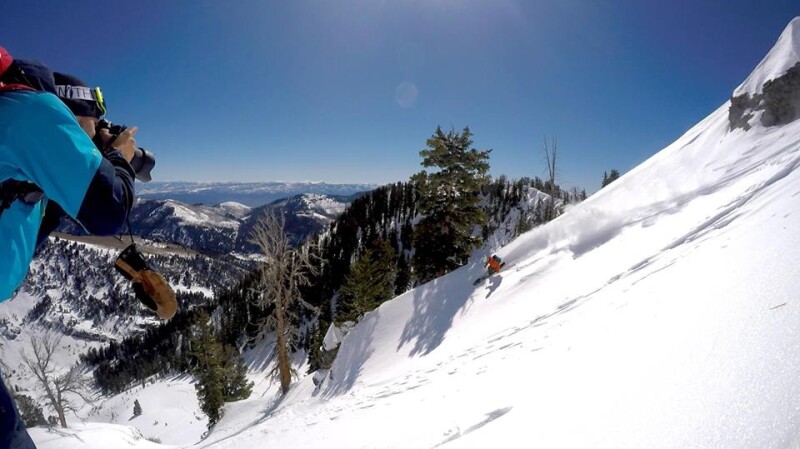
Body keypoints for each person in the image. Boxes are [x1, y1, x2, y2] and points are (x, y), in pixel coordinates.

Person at [0, 48, 136, 449]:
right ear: (70, 117)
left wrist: (55, 192)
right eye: (95, 126)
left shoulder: (15, 139)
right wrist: (117, 160)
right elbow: (110, 211)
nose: (98, 136)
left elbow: (20, 235)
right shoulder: (30, 111)